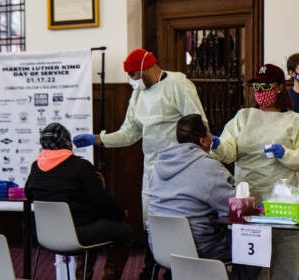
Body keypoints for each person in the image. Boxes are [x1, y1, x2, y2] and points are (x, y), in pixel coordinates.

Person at [72, 48, 207, 278]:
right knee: (152, 225)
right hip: (152, 169)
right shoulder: (138, 95)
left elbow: (198, 123)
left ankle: (175, 270)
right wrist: (98, 139)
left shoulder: (178, 84)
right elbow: (129, 133)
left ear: (146, 68)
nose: (131, 80)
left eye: (133, 75)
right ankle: (152, 267)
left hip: (181, 168)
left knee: (178, 222)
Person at [211, 64, 299, 280]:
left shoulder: (294, 121)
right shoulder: (243, 117)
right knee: (251, 263)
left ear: (279, 87)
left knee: (285, 258)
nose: (260, 91)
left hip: (281, 201)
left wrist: (285, 154)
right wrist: (217, 145)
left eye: (265, 86)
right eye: (256, 87)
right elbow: (230, 151)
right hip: (248, 200)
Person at [148, 114, 261, 280]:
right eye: (209, 133)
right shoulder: (208, 167)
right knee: (255, 245)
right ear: (203, 141)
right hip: (198, 246)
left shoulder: (158, 164)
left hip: (160, 246)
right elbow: (238, 208)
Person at [24, 122, 133, 280]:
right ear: (68, 144)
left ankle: (83, 275)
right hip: (77, 234)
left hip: (45, 235)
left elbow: (29, 194)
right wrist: (121, 214)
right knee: (125, 231)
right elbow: (103, 201)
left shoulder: (36, 167)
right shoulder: (80, 166)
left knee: (96, 224)